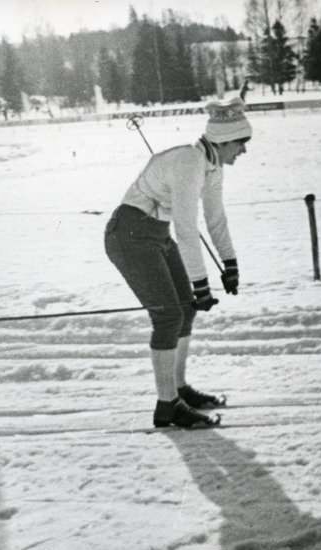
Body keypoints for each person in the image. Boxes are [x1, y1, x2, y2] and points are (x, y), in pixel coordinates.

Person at [104, 97, 251, 429]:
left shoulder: (212, 167)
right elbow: (186, 227)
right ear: (224, 140)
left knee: (186, 309)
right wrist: (201, 284)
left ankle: (178, 390)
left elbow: (215, 220)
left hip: (155, 234)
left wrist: (230, 264)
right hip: (128, 234)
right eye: (241, 143)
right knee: (168, 315)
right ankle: (167, 405)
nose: (243, 151)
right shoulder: (188, 162)